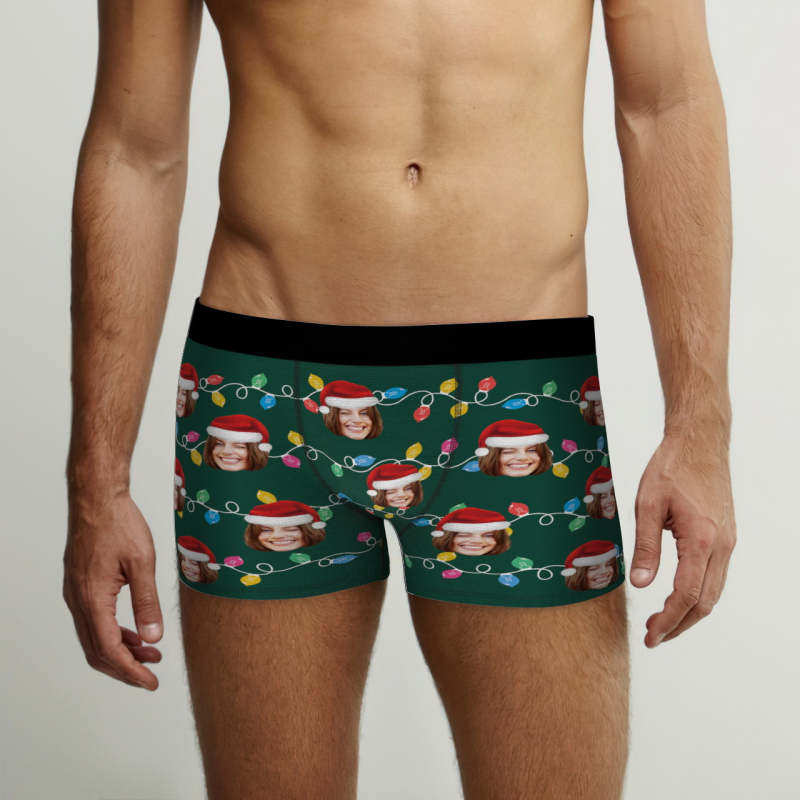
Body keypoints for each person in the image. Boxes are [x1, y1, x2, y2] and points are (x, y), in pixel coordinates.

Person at [61, 1, 737, 797]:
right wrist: (97, 486)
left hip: (522, 398)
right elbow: (134, 149)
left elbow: (666, 104)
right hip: (264, 392)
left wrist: (701, 428)